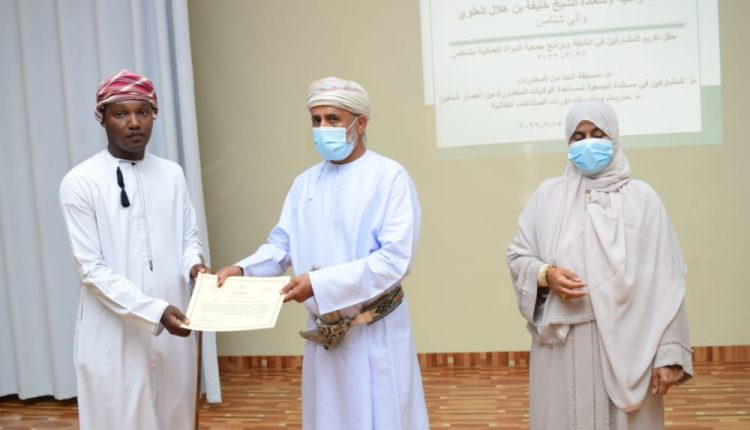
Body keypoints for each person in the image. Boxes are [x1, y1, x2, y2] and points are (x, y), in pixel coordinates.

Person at [216, 76, 429, 429]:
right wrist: (242, 270)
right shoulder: (305, 183)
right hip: (324, 333)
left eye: (333, 119)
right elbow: (281, 245)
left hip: (375, 332)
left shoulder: (389, 177)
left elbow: (394, 260)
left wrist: (319, 284)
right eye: (316, 120)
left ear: (360, 124)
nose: (322, 128)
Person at [506, 100, 693, 429]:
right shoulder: (547, 196)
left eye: (597, 134)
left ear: (614, 137)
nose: (588, 143)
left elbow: (667, 281)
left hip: (631, 344)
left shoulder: (643, 199)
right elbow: (518, 256)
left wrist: (668, 354)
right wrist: (546, 274)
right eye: (578, 137)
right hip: (564, 346)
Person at [59, 69, 209, 429]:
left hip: (175, 326)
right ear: (103, 119)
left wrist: (194, 267)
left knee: (175, 416)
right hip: (115, 334)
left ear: (154, 115)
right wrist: (156, 311)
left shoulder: (172, 174)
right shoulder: (80, 182)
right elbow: (91, 271)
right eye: (120, 113)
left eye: (142, 112)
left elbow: (188, 237)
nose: (134, 123)